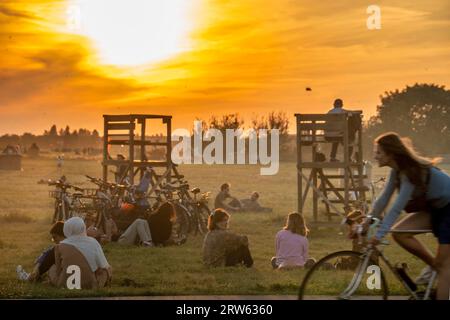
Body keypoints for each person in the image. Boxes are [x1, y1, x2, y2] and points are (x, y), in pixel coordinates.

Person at [366, 132, 450, 300]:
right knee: (401, 233)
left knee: (445, 267)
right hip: (435, 208)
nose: (375, 156)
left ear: (390, 154)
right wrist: (366, 222)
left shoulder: (410, 173)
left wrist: (380, 234)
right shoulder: (396, 172)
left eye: (378, 152)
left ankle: (439, 269)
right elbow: (383, 200)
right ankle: (434, 266)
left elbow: (396, 208)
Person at [49, 217, 112, 289]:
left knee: (52, 268)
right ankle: (97, 286)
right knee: (105, 270)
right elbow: (102, 266)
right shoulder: (93, 242)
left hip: (65, 285)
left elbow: (58, 271)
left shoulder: (58, 247)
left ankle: (58, 283)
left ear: (66, 230)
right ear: (83, 228)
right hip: (89, 285)